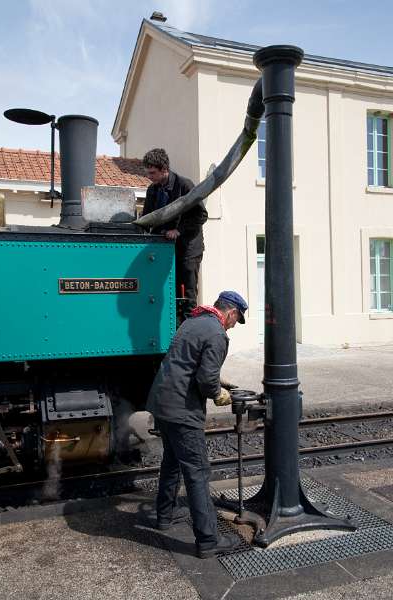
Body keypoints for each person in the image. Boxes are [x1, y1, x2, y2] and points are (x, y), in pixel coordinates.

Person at [146, 290, 248, 559]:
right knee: (198, 472)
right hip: (182, 410)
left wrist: (217, 379)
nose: (233, 326)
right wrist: (218, 393)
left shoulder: (192, 322)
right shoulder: (217, 333)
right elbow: (205, 380)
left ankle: (164, 516)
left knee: (172, 462)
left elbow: (187, 362)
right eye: (236, 320)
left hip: (162, 404)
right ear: (231, 313)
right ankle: (208, 540)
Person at [142, 148, 208, 321]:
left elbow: (201, 215)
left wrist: (178, 231)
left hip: (188, 249)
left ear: (164, 169)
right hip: (165, 249)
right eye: (148, 173)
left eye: (153, 173)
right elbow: (147, 219)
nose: (149, 176)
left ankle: (187, 329)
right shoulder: (152, 190)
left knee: (187, 293)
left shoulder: (185, 185)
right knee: (168, 291)